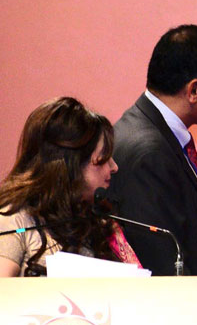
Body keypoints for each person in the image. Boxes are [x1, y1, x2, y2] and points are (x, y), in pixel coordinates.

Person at [109, 24, 197, 297]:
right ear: (193, 90)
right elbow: (162, 264)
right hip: (181, 318)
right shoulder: (148, 151)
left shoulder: (160, 133)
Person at [0, 97, 140, 277]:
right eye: (103, 158)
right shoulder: (13, 221)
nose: (114, 167)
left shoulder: (101, 222)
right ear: (71, 165)